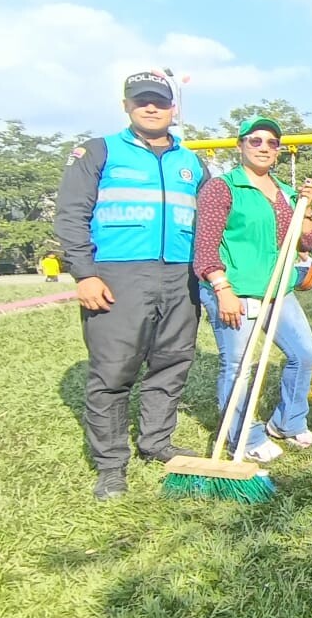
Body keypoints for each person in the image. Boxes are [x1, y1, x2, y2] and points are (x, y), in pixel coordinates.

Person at [54, 70, 207, 500]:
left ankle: (156, 440)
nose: (151, 107)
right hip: (118, 276)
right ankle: (111, 466)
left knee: (172, 362)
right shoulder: (98, 152)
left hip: (180, 276)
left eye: (159, 100)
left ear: (173, 108)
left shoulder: (191, 162)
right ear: (127, 106)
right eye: (142, 101)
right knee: (114, 372)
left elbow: (213, 219)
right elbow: (70, 215)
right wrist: (84, 274)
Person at [193, 115, 312, 463]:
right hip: (234, 290)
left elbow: (306, 242)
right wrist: (222, 289)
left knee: (304, 353)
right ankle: (243, 436)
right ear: (241, 145)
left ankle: (288, 421)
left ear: (278, 151)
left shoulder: (286, 193)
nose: (264, 147)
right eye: (256, 140)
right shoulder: (223, 188)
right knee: (238, 364)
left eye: (271, 143)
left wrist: (306, 208)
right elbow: (205, 247)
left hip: (277, 289)